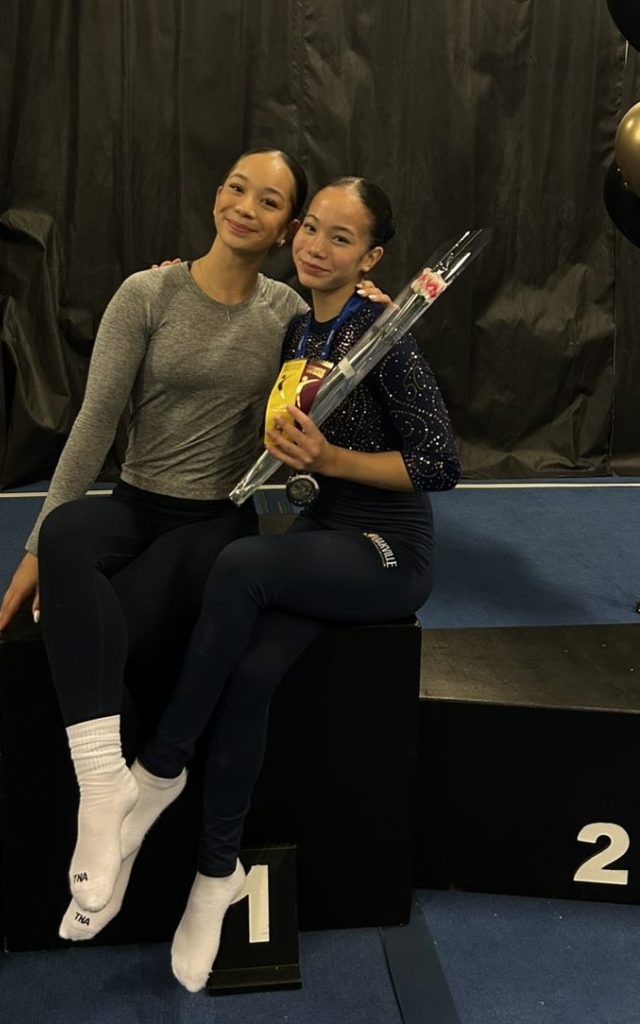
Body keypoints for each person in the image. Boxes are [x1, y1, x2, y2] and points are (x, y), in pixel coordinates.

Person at [87, 176, 462, 991]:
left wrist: (330, 460)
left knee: (243, 564)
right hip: (322, 537)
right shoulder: (298, 325)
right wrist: (170, 284)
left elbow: (441, 464)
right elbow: (229, 307)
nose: (316, 246)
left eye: (341, 238)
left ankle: (155, 773)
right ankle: (213, 875)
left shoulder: (384, 336)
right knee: (253, 672)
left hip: (388, 551)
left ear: (371, 258)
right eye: (311, 228)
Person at [0, 148, 314, 920]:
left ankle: (118, 830)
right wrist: (34, 550)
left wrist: (367, 306)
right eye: (237, 188)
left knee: (103, 640)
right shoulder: (147, 292)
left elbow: (339, 374)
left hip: (216, 520)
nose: (245, 207)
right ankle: (106, 788)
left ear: (285, 229)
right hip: (136, 501)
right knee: (68, 533)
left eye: (268, 201)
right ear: (217, 196)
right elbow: (94, 424)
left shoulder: (290, 317)